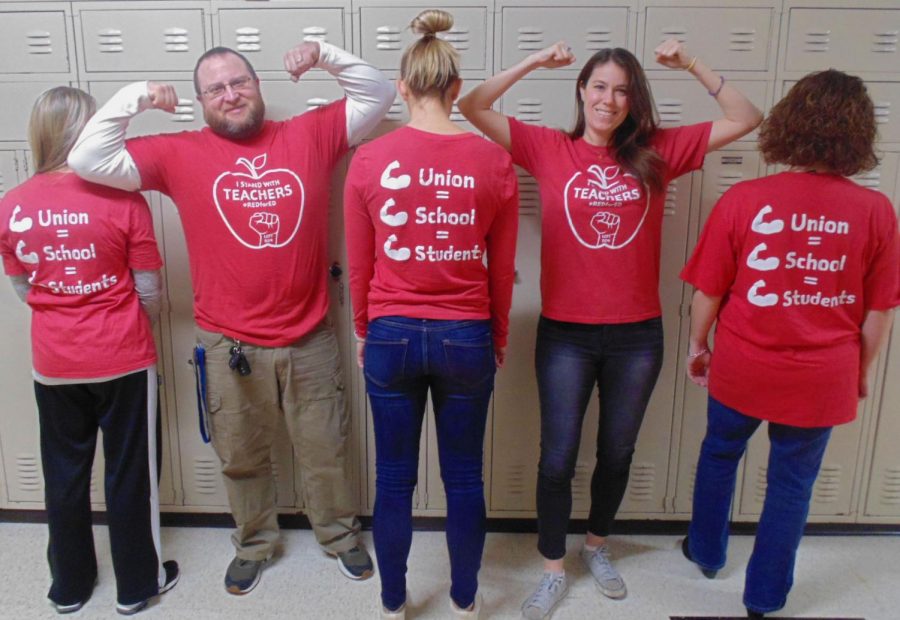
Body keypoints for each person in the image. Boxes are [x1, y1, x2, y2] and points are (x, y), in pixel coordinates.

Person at [67, 40, 394, 594]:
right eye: (215, 88)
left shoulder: (309, 134)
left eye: (239, 82)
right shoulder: (178, 152)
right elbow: (87, 159)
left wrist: (323, 55)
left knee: (325, 451)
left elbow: (379, 93)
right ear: (201, 102)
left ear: (258, 86)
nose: (230, 94)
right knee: (240, 457)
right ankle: (254, 543)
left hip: (309, 335)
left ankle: (339, 537)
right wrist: (136, 97)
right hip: (227, 344)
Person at [459, 39, 763, 618]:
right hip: (565, 335)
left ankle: (596, 546)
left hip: (636, 336)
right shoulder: (549, 149)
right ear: (581, 91)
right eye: (599, 86)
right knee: (558, 457)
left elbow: (747, 118)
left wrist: (692, 62)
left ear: (634, 99)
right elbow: (472, 106)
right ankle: (553, 567)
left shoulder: (658, 151)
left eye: (623, 89)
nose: (609, 98)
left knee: (617, 454)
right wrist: (532, 63)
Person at [680, 69, 899, 619]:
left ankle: (706, 552)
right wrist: (860, 370)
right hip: (822, 376)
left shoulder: (746, 199)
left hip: (742, 365)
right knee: (791, 487)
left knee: (719, 454)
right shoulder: (876, 213)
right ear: (857, 136)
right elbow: (878, 312)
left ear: (790, 126)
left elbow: (709, 292)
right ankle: (764, 597)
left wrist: (698, 344)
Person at [344, 9, 518, 619]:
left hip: (390, 335)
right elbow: (502, 271)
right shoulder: (494, 161)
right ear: (453, 88)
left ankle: (394, 600)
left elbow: (359, 267)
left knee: (393, 479)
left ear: (402, 87)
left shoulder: (369, 160)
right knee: (464, 478)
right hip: (465, 335)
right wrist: (495, 338)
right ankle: (466, 599)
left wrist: (367, 331)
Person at [0, 86, 178, 615]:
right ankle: (137, 586)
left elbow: (24, 290)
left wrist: (66, 309)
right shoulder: (124, 199)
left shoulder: (10, 204)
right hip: (122, 357)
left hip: (54, 363)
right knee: (130, 472)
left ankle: (70, 588)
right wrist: (113, 319)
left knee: (64, 473)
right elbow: (148, 291)